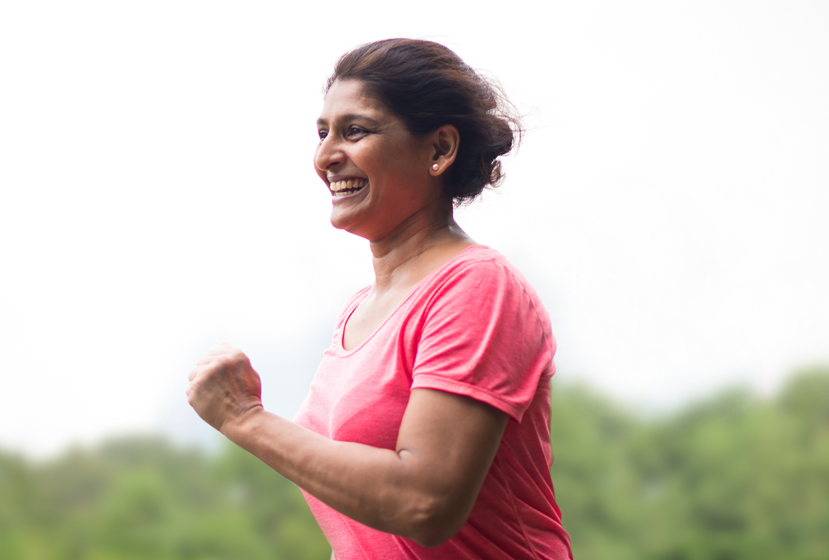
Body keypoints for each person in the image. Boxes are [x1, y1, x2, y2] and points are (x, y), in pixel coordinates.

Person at [185, 39, 571, 559]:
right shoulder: (359, 310)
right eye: (322, 133)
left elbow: (423, 503)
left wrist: (245, 418)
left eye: (355, 131)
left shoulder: (476, 287)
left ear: (439, 150)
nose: (325, 157)